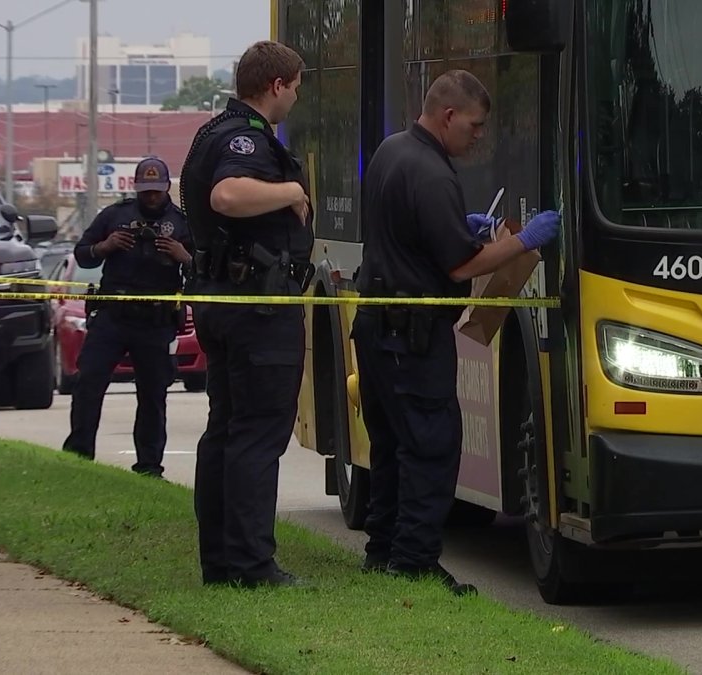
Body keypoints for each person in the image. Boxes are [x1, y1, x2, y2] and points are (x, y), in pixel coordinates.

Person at [353, 69, 562, 595]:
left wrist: (454, 225)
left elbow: (413, 234)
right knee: (431, 447)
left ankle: (383, 551)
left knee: (391, 446)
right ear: (448, 116)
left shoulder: (391, 151)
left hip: (376, 329)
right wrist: (526, 240)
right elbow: (462, 268)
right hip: (413, 338)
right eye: (474, 125)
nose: (479, 136)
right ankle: (416, 561)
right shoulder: (432, 173)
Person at [180, 40, 313, 588]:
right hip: (256, 308)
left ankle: (221, 561)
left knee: (227, 432)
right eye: (296, 87)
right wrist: (290, 191)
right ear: (277, 85)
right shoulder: (246, 138)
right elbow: (227, 197)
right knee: (257, 436)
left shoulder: (209, 131)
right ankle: (253, 566)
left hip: (220, 301)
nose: (296, 98)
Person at [62, 157, 193, 478]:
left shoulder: (181, 223)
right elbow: (82, 253)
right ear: (136, 188)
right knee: (88, 383)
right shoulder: (115, 216)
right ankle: (78, 455)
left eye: (156, 191)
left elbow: (205, 269)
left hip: (155, 320)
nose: (151, 197)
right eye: (145, 191)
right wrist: (105, 246)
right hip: (112, 317)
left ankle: (149, 466)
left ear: (166, 188)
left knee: (152, 395)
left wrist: (183, 256)